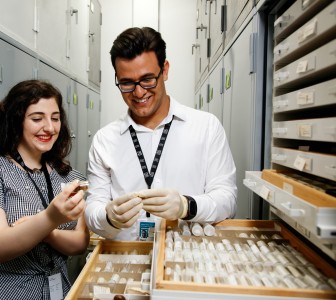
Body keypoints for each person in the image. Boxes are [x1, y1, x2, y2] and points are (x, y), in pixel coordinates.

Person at [85, 27, 237, 241]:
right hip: (127, 259)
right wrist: (108, 216)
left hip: (186, 259)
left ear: (164, 70)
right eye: (127, 83)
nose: (139, 92)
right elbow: (92, 210)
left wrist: (187, 206)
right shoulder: (104, 140)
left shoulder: (206, 127)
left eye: (147, 79)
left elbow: (227, 200)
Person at [0, 80, 89, 299]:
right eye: (37, 118)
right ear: (15, 120)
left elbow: (80, 243)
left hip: (56, 291)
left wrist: (47, 232)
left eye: (55, 118)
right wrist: (50, 217)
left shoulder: (68, 176)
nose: (49, 127)